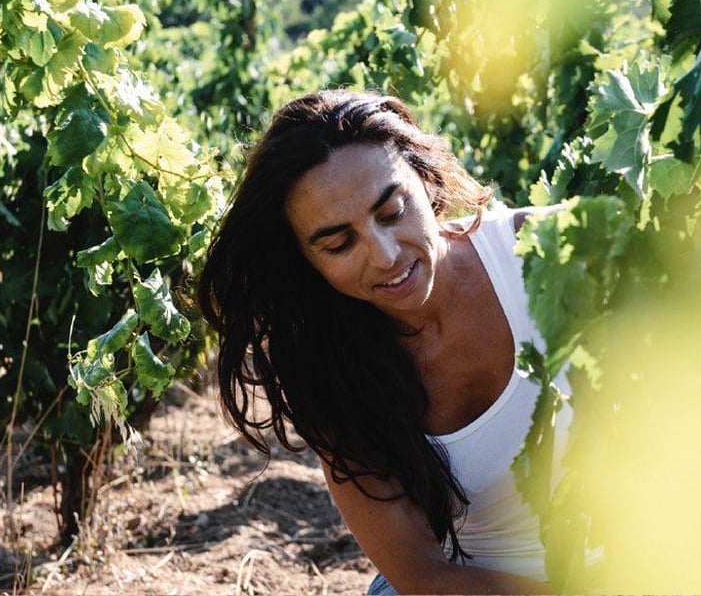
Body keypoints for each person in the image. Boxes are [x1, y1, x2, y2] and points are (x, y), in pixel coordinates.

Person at [197, 90, 571, 594]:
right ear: (305, 261)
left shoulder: (544, 252)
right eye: (339, 243)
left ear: (425, 178)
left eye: (393, 211)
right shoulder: (332, 374)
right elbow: (423, 576)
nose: (385, 254)